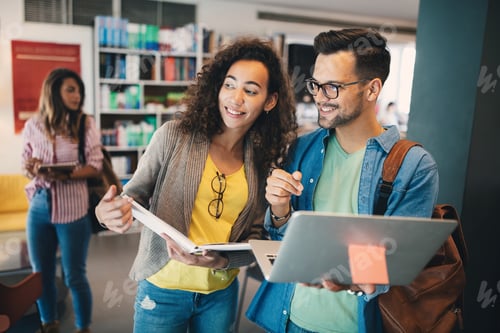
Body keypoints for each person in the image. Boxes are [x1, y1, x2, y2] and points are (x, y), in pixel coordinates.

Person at [95, 37, 297, 333]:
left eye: (250, 91)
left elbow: (257, 238)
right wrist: (106, 213)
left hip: (219, 294)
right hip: (162, 290)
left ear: (269, 101)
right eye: (229, 84)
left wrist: (222, 260)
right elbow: (131, 197)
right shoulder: (174, 136)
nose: (235, 98)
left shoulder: (263, 162)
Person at [246, 28, 439, 333]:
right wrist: (280, 208)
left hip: (355, 325)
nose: (319, 97)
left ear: (372, 90)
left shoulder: (413, 166)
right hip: (289, 319)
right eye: (316, 84)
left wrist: (348, 276)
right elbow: (282, 242)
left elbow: (401, 262)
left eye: (332, 87)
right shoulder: (303, 148)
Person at [22, 68, 103, 333]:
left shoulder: (85, 124)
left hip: (74, 208)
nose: (77, 95)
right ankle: (49, 323)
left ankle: (84, 328)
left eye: (79, 90)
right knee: (40, 274)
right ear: (54, 91)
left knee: (74, 276)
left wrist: (64, 173)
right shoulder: (32, 125)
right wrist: (33, 167)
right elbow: (26, 164)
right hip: (39, 206)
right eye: (71, 89)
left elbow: (95, 166)